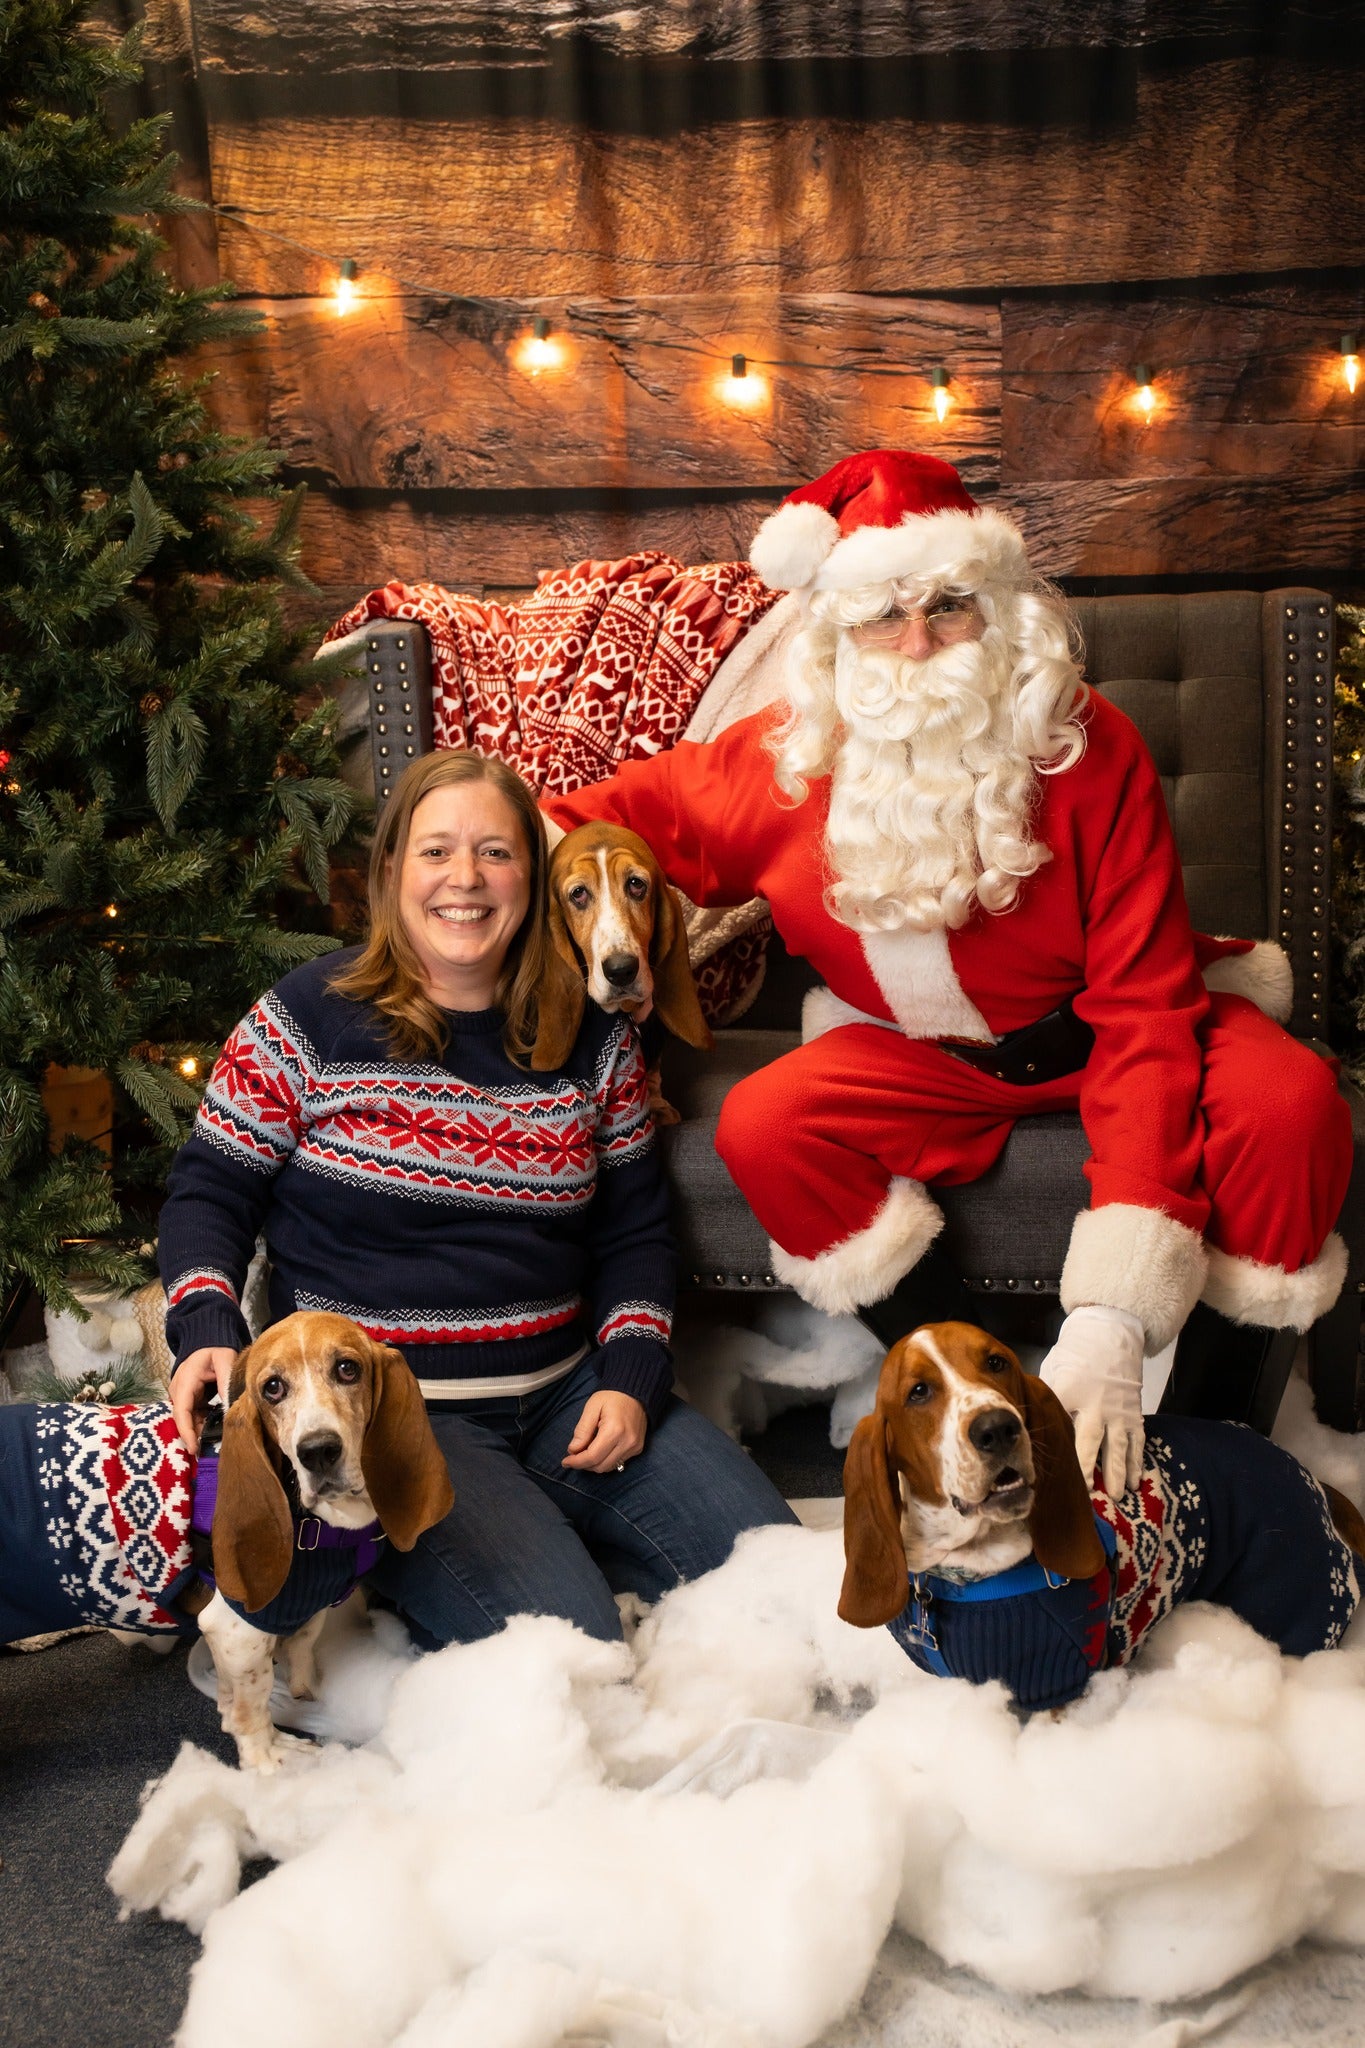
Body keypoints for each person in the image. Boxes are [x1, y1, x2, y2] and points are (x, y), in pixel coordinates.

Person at [542, 449, 1353, 1499]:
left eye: (948, 607)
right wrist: (475, 886)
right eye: (883, 614)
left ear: (999, 609)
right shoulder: (779, 760)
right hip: (925, 1061)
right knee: (766, 1125)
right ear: (836, 632)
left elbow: (1146, 1010)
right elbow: (578, 825)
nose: (918, 643)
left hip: (1106, 1028)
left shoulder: (1090, 746)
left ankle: (1208, 1450)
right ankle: (972, 1395)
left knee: (1291, 1107)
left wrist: (1113, 1316)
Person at [160, 750, 795, 1648]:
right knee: (570, 1654)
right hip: (399, 1417)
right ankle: (435, 1567)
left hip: (569, 1396)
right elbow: (212, 1185)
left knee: (786, 1585)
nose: (465, 878)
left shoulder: (596, 1039)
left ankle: (535, 1538)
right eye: (437, 851)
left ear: (531, 880)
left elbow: (635, 1231)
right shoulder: (307, 1016)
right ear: (392, 871)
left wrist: (630, 1374)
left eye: (495, 853)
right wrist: (205, 1322)